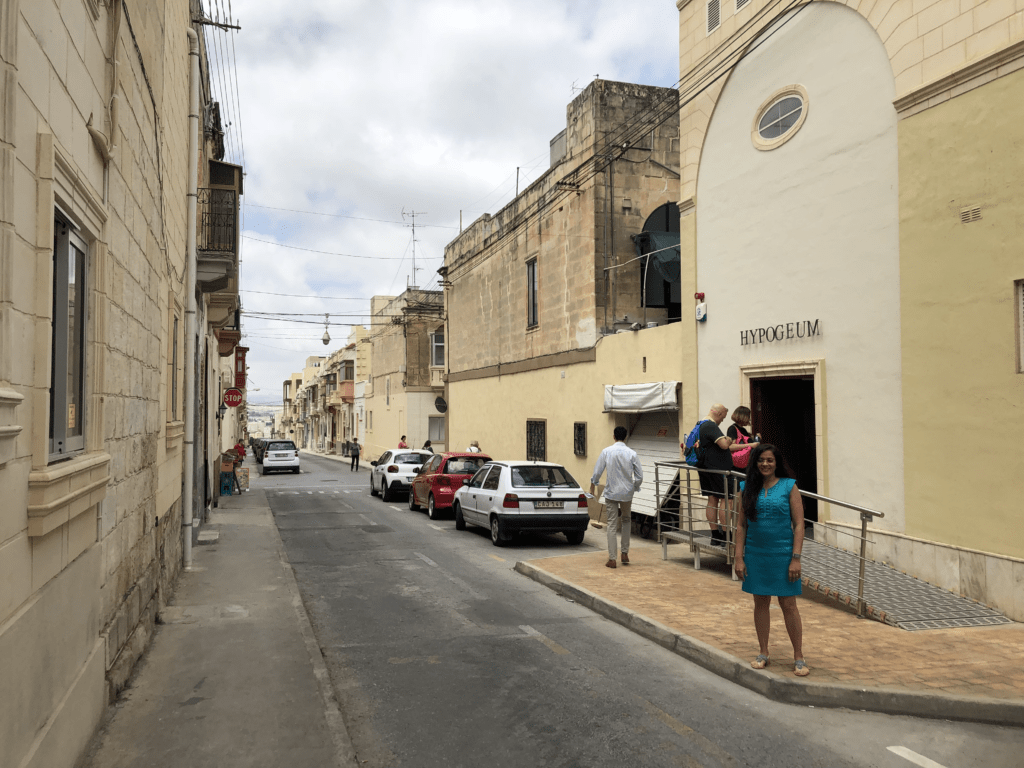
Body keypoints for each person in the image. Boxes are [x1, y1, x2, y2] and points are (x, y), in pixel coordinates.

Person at [734, 443, 809, 677]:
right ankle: (763, 652)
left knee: (789, 605)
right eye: (761, 460)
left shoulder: (789, 486)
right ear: (754, 463)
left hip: (784, 555)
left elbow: (799, 525)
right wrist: (738, 557)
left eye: (770, 460)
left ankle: (798, 656)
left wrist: (795, 558)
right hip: (756, 554)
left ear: (777, 463)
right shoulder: (746, 488)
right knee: (761, 603)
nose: (765, 464)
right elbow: (740, 525)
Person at [589, 426, 643, 569]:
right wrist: (635, 487)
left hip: (611, 492)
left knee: (612, 525)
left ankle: (612, 559)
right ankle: (624, 553)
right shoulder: (632, 453)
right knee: (626, 520)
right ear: (625, 437)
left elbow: (598, 471)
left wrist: (593, 484)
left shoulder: (606, 452)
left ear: (614, 436)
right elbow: (639, 476)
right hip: (626, 493)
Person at [696, 404, 740, 545]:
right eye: (723, 417)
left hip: (706, 469)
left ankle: (715, 535)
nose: (723, 421)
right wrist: (728, 439)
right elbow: (724, 445)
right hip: (718, 470)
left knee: (712, 500)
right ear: (720, 414)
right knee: (727, 500)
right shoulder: (710, 426)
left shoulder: (700, 424)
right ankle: (727, 535)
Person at [726, 406, 759, 471]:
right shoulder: (732, 429)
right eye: (748, 416)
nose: (749, 419)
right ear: (743, 416)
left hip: (745, 464)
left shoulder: (743, 430)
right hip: (738, 466)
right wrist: (750, 445)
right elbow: (731, 447)